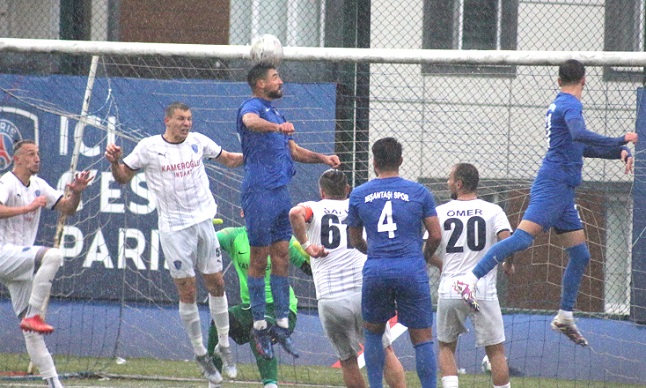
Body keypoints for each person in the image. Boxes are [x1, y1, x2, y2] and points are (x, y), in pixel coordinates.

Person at [453, 59, 638, 347]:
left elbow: (579, 145)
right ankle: (469, 278)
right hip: (553, 185)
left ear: (558, 79)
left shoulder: (560, 103)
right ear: (585, 80)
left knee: (580, 255)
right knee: (524, 239)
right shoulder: (571, 105)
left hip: (563, 191)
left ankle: (564, 315)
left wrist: (618, 152)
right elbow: (578, 134)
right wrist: (619, 138)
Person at [104, 102, 243, 385]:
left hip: (204, 221)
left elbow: (229, 159)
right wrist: (114, 162)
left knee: (217, 283)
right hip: (174, 229)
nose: (187, 123)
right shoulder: (148, 147)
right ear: (167, 120)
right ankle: (200, 353)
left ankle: (225, 346)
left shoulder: (198, 142)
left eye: (189, 119)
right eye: (181, 119)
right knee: (187, 289)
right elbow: (123, 178)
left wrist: (257, 152)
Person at [237, 64, 341, 360]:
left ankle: (281, 326)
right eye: (274, 77)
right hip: (259, 192)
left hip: (281, 193)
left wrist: (323, 158)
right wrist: (276, 127)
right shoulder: (253, 107)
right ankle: (259, 326)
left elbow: (293, 150)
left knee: (282, 255)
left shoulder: (276, 113)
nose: (280, 81)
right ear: (260, 83)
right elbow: (250, 122)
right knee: (259, 259)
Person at [289, 168, 407, 388]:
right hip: (364, 292)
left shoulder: (314, 208)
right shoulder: (360, 207)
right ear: (347, 189)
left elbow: (295, 214)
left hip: (331, 297)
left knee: (348, 361)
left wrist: (307, 245)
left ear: (321, 191)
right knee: (385, 352)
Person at [346, 137, 443, 388]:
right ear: (400, 160)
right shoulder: (419, 192)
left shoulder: (359, 194)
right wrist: (420, 259)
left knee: (374, 333)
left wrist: (374, 253)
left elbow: (354, 239)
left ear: (374, 162)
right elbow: (435, 236)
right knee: (422, 338)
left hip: (377, 269)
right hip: (411, 268)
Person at [0, 139, 93, 388]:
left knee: (32, 336)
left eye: (38, 154)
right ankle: (33, 315)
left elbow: (67, 208)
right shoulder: (6, 182)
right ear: (17, 159)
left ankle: (54, 385)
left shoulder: (39, 185)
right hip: (2, 254)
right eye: (30, 154)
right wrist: (28, 207)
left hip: (18, 262)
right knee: (53, 255)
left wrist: (77, 192)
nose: (36, 158)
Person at [207, 212, 312, 388]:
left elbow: (309, 269)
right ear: (243, 212)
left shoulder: (282, 238)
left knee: (259, 331)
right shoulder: (233, 236)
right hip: (251, 308)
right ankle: (214, 383)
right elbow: (205, 245)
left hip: (281, 309)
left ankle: (271, 385)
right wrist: (202, 231)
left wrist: (312, 255)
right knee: (218, 322)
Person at [431, 163, 512, 388]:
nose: (447, 182)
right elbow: (508, 241)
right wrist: (508, 263)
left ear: (459, 184)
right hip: (481, 287)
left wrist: (441, 264)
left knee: (447, 346)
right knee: (495, 350)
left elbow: (426, 247)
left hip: (451, 286)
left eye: (449, 178)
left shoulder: (440, 211)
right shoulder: (493, 210)